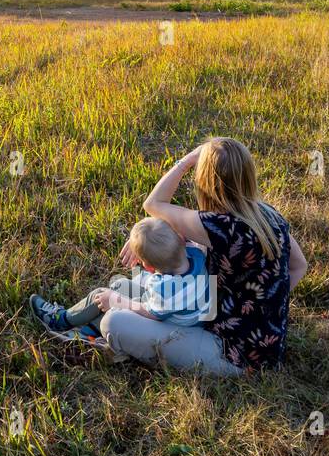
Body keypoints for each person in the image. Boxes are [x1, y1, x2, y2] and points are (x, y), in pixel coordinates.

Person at [107, 137, 308, 375]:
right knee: (123, 288)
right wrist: (267, 307)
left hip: (230, 352)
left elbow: (153, 204)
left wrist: (187, 161)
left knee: (113, 322)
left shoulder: (217, 226)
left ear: (205, 180)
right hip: (256, 341)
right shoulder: (268, 214)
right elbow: (299, 266)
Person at [29, 217, 212, 344]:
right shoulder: (196, 255)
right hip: (192, 318)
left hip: (172, 325)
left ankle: (61, 320)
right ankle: (87, 334)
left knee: (103, 296)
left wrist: (117, 301)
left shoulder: (164, 287)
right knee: (119, 286)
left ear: (146, 266)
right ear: (181, 240)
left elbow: (151, 313)